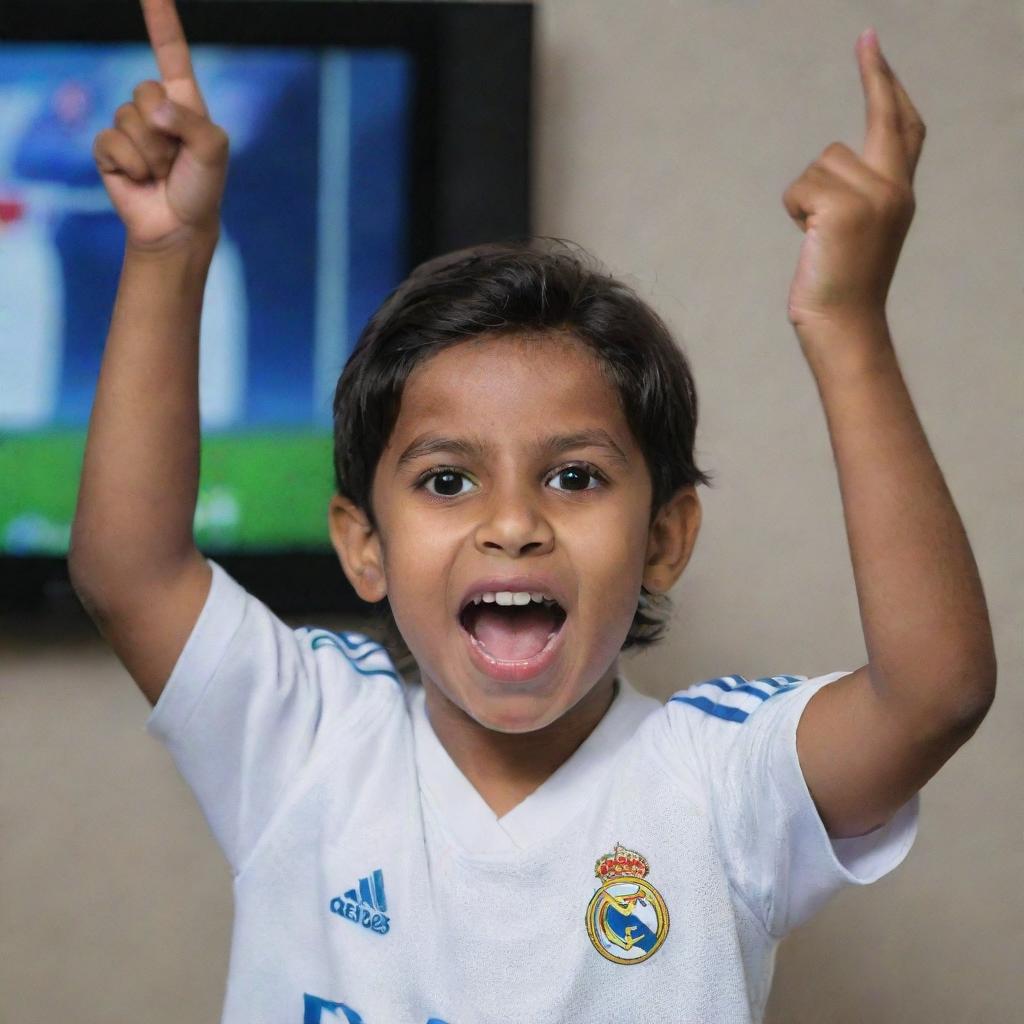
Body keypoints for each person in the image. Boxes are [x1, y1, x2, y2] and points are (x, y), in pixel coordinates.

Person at [70, 2, 996, 1021]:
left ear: (665, 538)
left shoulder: (722, 781)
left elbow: (932, 694)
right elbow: (132, 570)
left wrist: (846, 322)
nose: (512, 523)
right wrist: (167, 254)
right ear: (361, 546)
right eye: (447, 481)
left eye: (573, 477)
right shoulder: (306, 738)